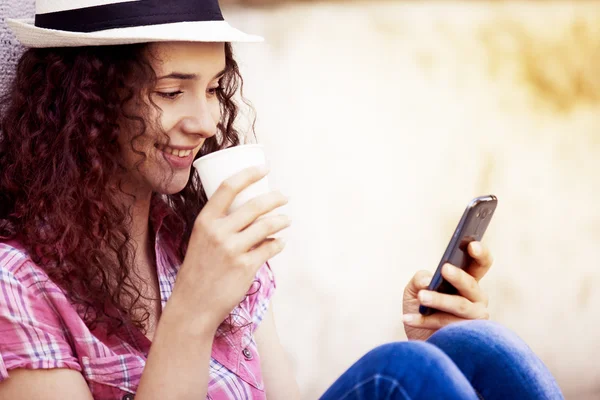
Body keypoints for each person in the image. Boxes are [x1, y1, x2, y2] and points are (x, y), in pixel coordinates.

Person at [0, 1, 564, 399]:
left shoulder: (185, 239)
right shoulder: (19, 285)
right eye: (171, 91)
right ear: (83, 101)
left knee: (481, 349)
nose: (205, 122)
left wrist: (431, 342)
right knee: (401, 373)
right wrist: (193, 312)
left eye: (215, 89)